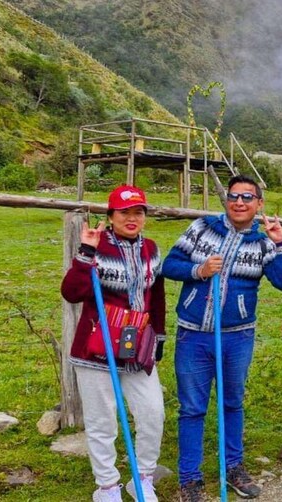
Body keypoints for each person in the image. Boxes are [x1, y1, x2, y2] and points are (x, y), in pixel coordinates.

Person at [162, 175, 282, 501]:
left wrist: (281, 243)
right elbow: (169, 264)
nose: (239, 202)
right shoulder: (202, 227)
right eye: (234, 196)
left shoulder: (263, 243)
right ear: (227, 200)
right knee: (192, 408)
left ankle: (233, 466)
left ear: (259, 204)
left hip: (237, 337)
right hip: (193, 336)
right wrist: (199, 270)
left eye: (247, 197)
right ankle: (190, 480)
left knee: (232, 403)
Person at [60, 185, 166, 502]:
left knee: (152, 414)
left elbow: (156, 298)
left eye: (138, 212)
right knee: (102, 420)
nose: (132, 218)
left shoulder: (151, 248)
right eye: (124, 212)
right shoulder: (96, 245)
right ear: (111, 215)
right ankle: (107, 486)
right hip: (96, 346)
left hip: (136, 348)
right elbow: (72, 292)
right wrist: (86, 253)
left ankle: (142, 478)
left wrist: (158, 339)